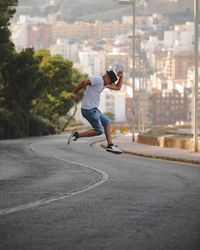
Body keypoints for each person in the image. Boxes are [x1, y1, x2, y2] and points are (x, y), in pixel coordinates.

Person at [68, 70, 123, 154]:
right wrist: (74, 92)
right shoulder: (98, 80)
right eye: (109, 81)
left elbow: (118, 87)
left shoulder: (104, 83)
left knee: (107, 122)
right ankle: (77, 135)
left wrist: (121, 78)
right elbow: (83, 82)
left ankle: (110, 145)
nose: (107, 84)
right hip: (88, 110)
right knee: (99, 130)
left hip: (94, 109)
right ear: (107, 78)